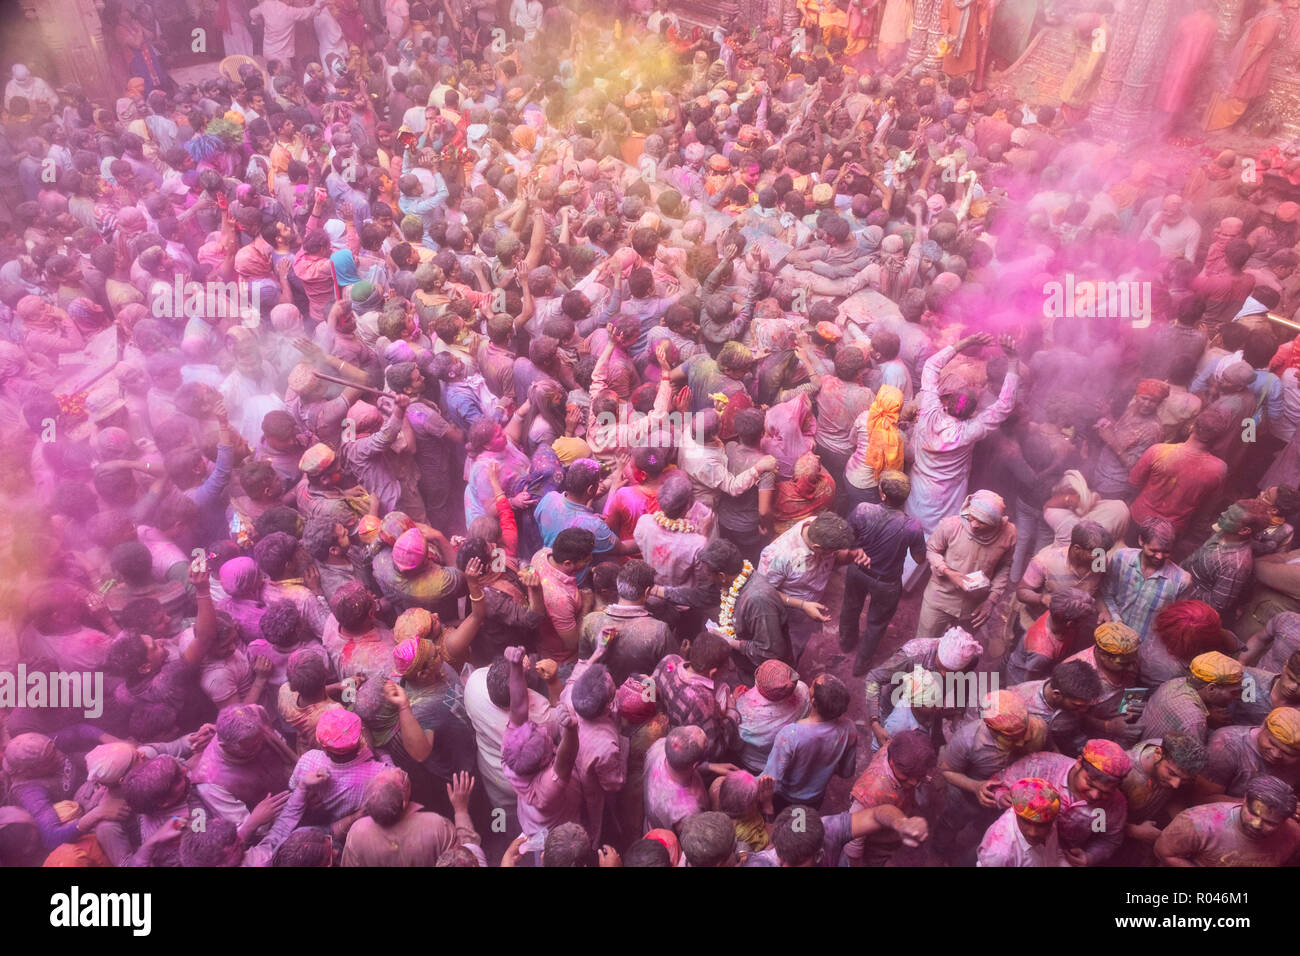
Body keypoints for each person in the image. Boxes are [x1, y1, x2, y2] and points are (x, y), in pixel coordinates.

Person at [1155, 774, 1300, 865]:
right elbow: (1163, 852)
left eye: (1269, 823)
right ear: (1244, 800)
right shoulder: (1197, 822)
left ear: (1284, 821)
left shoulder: (1293, 835)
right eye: (1253, 813)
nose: (1256, 824)